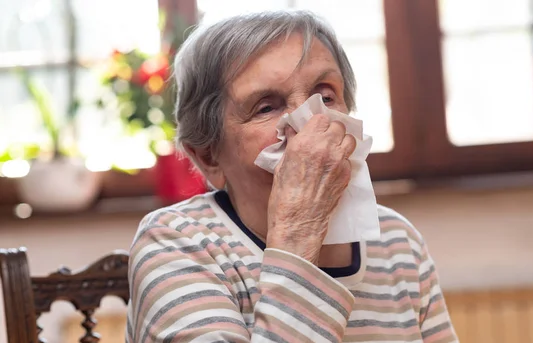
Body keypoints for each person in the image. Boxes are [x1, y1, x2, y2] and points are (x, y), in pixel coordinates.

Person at [127, 11, 457, 343]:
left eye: (326, 96)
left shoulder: (398, 241)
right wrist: (299, 233)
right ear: (209, 156)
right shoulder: (176, 242)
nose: (309, 122)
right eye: (266, 107)